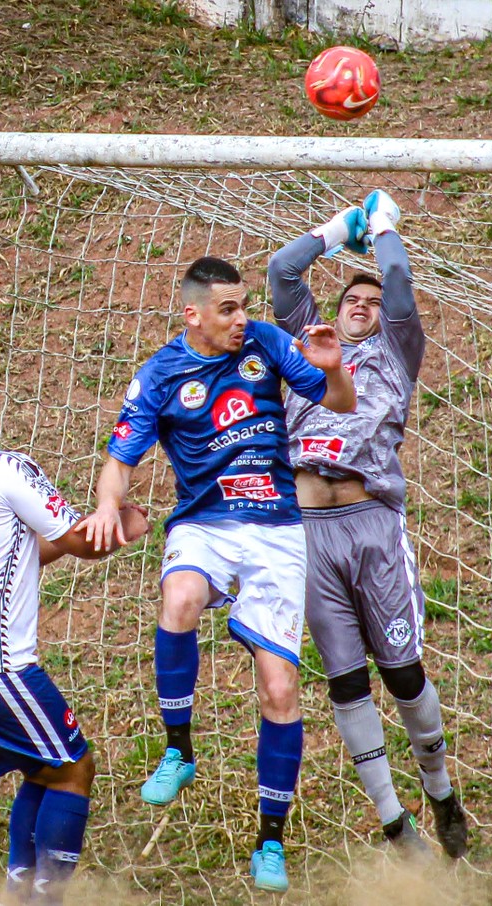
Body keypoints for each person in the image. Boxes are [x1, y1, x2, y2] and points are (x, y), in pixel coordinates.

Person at [80, 256, 355, 893]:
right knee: (178, 596)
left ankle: (270, 841)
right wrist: (104, 503)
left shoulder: (265, 343)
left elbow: (340, 403)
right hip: (204, 522)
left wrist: (332, 367)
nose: (241, 319)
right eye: (228, 309)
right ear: (194, 314)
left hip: (278, 531)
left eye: (244, 306)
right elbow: (120, 460)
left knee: (279, 690)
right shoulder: (159, 374)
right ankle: (179, 749)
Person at [268, 190, 469, 859]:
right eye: (353, 299)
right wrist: (335, 230)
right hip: (308, 534)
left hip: (372, 525)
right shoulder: (306, 345)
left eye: (372, 302)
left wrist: (381, 228)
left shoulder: (394, 353)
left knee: (402, 674)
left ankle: (441, 792)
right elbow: (282, 272)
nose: (363, 305)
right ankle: (394, 822)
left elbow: (402, 284)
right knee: (345, 680)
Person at [0, 373, 150, 906]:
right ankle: (46, 901)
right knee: (73, 768)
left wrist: (77, 537)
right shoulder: (5, 467)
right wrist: (121, 525)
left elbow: (20, 556)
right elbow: (81, 544)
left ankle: (17, 897)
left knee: (40, 769)